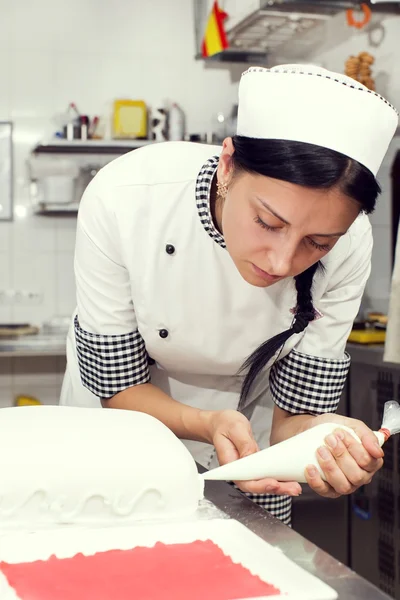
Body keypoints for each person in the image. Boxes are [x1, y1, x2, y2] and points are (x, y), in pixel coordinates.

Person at [60, 64, 398, 525]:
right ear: (227, 165)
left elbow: (293, 421)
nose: (281, 263)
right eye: (268, 223)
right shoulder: (126, 198)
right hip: (117, 435)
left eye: (317, 243)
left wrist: (324, 438)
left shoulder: (352, 244)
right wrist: (208, 422)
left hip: (248, 451)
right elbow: (117, 388)